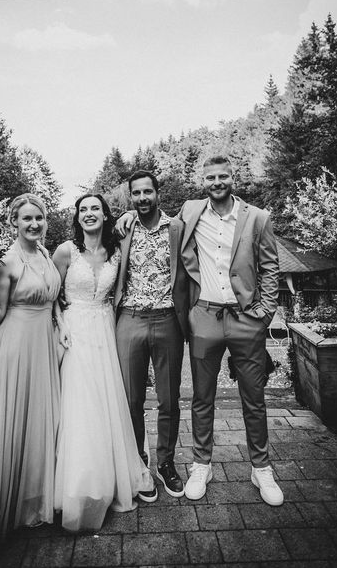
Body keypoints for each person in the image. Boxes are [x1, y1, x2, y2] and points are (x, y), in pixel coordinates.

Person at [173, 156, 284, 506]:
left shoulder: (257, 217)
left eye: (223, 176)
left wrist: (263, 314)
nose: (217, 181)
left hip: (245, 317)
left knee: (254, 398)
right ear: (202, 180)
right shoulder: (189, 212)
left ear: (234, 177)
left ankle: (261, 468)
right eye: (210, 177)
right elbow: (154, 220)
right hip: (203, 316)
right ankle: (201, 464)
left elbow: (270, 267)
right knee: (201, 398)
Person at [0, 194, 61, 555]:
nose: (34, 224)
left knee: (38, 423)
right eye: (26, 219)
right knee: (14, 424)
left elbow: (53, 302)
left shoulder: (45, 255)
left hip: (44, 347)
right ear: (14, 222)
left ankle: (33, 501)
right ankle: (4, 512)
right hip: (16, 349)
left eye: (39, 218)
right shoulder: (5, 261)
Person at [51, 194, 150, 531]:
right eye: (83, 210)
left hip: (106, 328)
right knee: (79, 404)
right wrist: (61, 325)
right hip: (75, 330)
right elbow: (50, 293)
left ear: (106, 216)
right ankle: (77, 487)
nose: (89, 214)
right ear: (77, 218)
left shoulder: (116, 252)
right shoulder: (66, 251)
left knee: (107, 403)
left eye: (96, 208)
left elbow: (119, 292)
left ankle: (110, 477)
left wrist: (130, 213)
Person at [112, 170, 186, 500]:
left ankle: (165, 462)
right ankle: (138, 462)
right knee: (131, 399)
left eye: (147, 192)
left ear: (158, 192)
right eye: (136, 194)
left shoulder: (178, 228)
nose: (142, 198)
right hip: (129, 318)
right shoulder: (122, 229)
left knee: (169, 399)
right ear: (131, 197)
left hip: (168, 318)